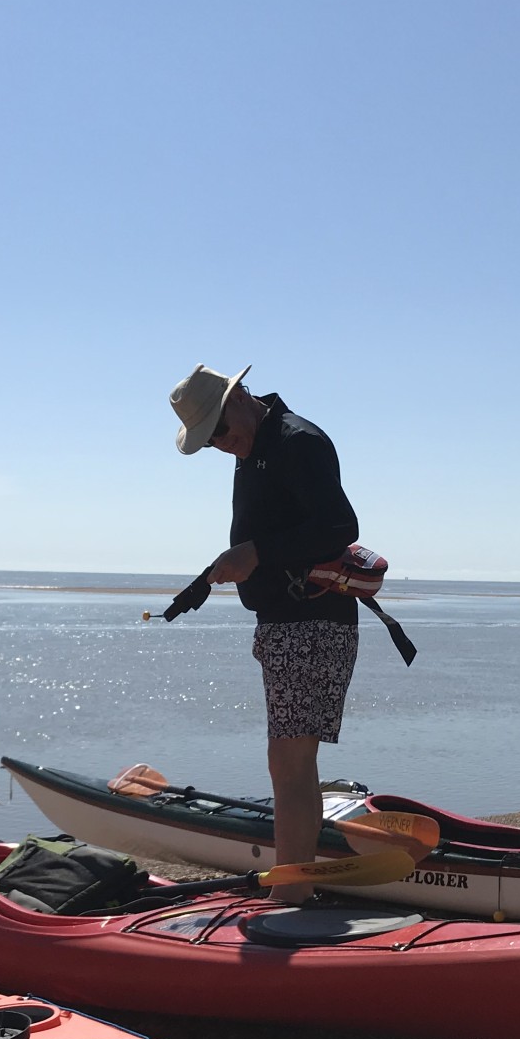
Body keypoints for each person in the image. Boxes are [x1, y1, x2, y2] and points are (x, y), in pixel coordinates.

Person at [171, 364, 361, 901]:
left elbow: (339, 527)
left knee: (290, 761)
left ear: (240, 399)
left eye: (219, 432)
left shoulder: (296, 440)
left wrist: (255, 553)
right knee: (289, 762)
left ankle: (293, 891)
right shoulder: (254, 445)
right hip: (285, 623)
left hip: (313, 621)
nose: (220, 445)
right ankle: (293, 882)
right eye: (209, 443)